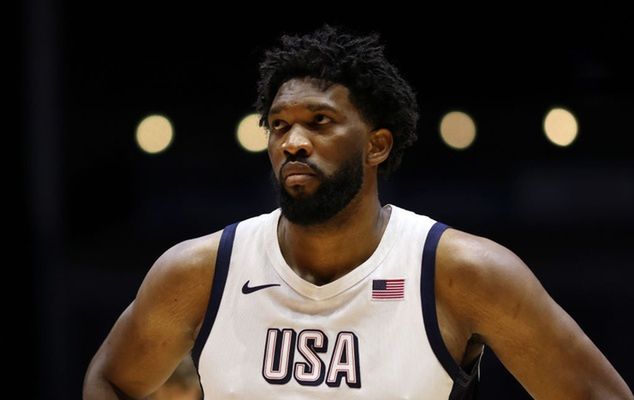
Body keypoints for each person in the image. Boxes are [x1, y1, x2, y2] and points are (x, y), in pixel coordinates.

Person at [83, 25, 633, 399]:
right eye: (279, 125)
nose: (293, 141)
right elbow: (109, 380)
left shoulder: (462, 272)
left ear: (377, 145)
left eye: (319, 122)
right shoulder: (200, 272)